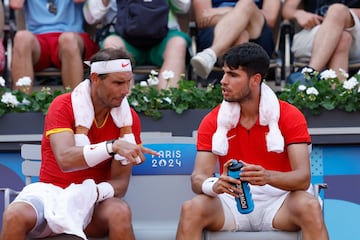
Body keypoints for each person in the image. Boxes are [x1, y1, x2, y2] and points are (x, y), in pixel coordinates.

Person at [0, 48, 159, 240]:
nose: (125, 91)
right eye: (118, 83)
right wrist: (112, 146)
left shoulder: (128, 118)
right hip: (51, 194)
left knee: (119, 212)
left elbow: (120, 184)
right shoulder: (63, 105)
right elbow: (66, 159)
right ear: (95, 79)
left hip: (94, 200)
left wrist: (88, 195)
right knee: (14, 215)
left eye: (128, 82)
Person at [176, 42, 329, 240]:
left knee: (310, 206)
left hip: (279, 202)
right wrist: (214, 185)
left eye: (233, 75)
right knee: (191, 208)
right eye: (224, 73)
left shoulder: (290, 115)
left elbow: (302, 178)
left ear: (255, 80)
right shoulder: (213, 119)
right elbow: (198, 178)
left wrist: (267, 177)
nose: (223, 81)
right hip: (230, 202)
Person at [83, 0, 191, 90]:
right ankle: (126, 108)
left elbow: (183, 7)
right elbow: (91, 17)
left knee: (178, 43)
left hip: (165, 36)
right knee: (111, 45)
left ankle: (168, 104)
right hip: (122, 36)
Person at [10, 0, 100, 93]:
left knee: (68, 39)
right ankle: (21, 104)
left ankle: (74, 102)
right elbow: (15, 4)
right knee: (21, 37)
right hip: (38, 40)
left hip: (72, 35)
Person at [190, 0, 281, 80]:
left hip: (257, 34)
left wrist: (230, 12)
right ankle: (238, 87)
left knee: (247, 3)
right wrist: (239, 16)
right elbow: (202, 17)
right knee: (242, 34)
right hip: (215, 33)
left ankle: (211, 54)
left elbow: (270, 18)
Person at [283, 0, 360, 84]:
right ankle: (336, 94)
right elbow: (287, 9)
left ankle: (309, 73)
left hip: (355, 33)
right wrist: (298, 14)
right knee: (343, 37)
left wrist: (337, 18)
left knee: (337, 10)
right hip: (314, 32)